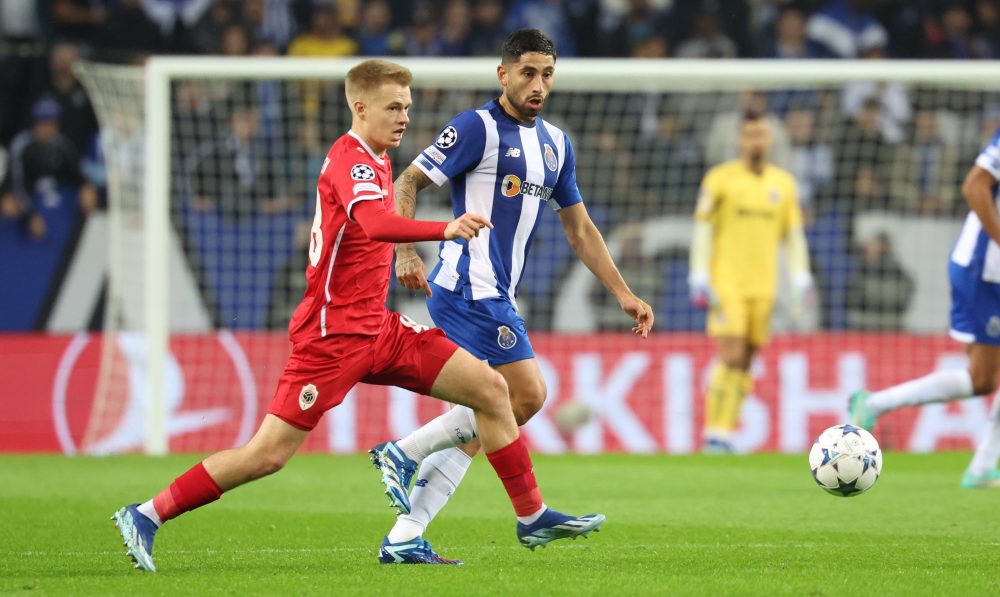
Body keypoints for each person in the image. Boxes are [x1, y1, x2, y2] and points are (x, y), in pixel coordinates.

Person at [111, 59, 603, 573]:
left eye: (407, 108)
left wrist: (406, 258)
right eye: (393, 107)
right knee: (267, 455)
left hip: (381, 328)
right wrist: (443, 230)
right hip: (332, 338)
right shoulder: (354, 162)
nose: (404, 118)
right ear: (359, 107)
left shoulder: (380, 158)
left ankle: (530, 515)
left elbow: (371, 229)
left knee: (491, 389)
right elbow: (372, 221)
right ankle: (147, 513)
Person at [371, 28, 651, 565]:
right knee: (525, 395)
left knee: (484, 419)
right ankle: (405, 454)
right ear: (503, 74)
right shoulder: (476, 128)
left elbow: (580, 229)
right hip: (466, 288)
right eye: (527, 72)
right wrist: (404, 253)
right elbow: (406, 181)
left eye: (546, 74)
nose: (538, 83)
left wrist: (622, 292)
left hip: (498, 292)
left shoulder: (556, 144)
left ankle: (406, 534)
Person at [849, 125, 1000, 489]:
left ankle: (877, 405)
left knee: (981, 380)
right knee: (982, 378)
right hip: (983, 270)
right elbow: (973, 185)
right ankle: (980, 466)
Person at [688, 109, 813, 454]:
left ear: (769, 138)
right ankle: (713, 433)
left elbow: (793, 235)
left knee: (746, 359)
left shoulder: (783, 184)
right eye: (749, 134)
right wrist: (698, 273)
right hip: (727, 283)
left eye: (760, 134)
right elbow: (703, 228)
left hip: (764, 286)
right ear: (740, 139)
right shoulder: (720, 179)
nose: (755, 140)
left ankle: (725, 433)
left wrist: (801, 277)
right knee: (730, 355)